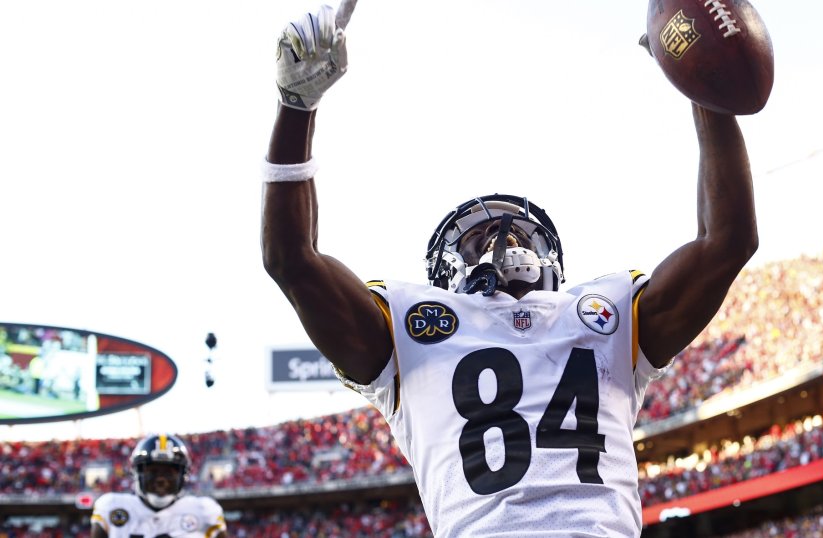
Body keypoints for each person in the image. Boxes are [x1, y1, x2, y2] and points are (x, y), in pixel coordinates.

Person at [261, 2, 758, 536]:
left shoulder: (608, 313)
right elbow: (293, 260)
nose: (503, 239)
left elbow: (728, 241)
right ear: (446, 270)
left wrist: (704, 89)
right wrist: (297, 106)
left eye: (517, 232)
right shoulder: (406, 328)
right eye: (479, 237)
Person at [91, 433, 227, 538]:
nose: (161, 479)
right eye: (153, 471)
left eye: (169, 472)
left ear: (183, 475)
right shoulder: (112, 506)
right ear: (137, 472)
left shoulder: (203, 510)